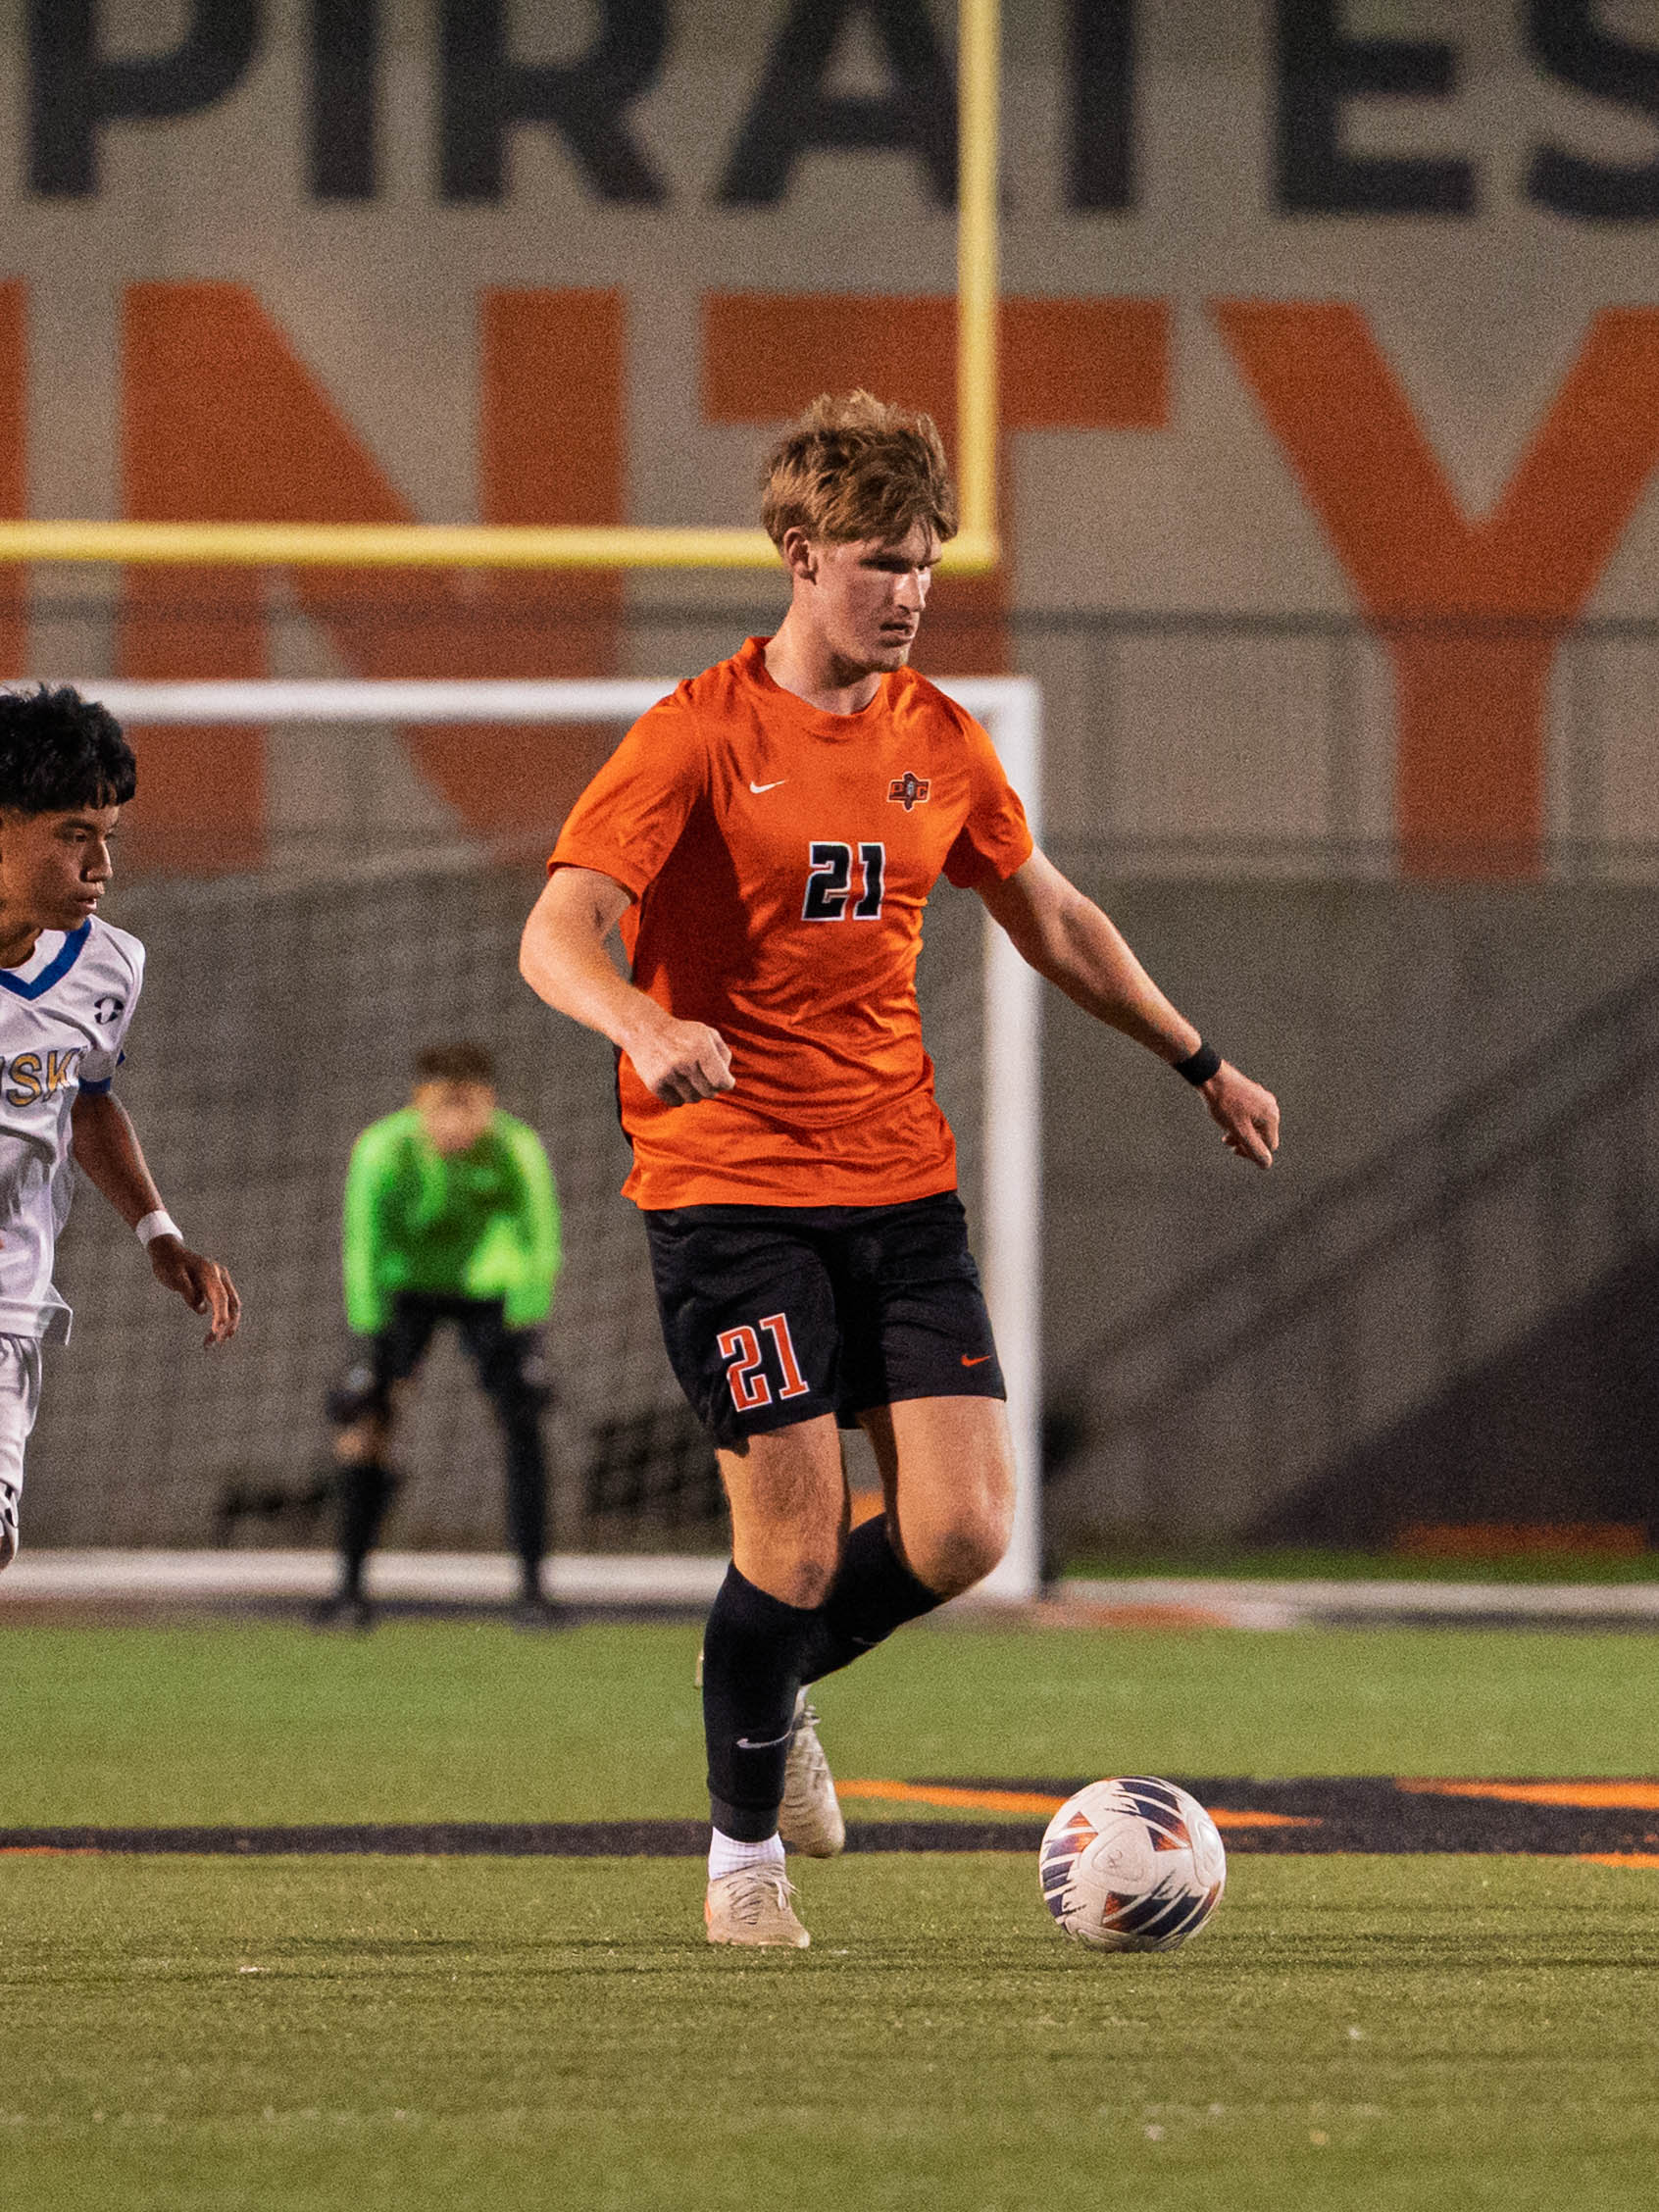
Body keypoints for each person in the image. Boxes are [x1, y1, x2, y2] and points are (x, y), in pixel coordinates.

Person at [519, 391, 1280, 1948]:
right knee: (794, 1544)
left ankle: (761, 1674)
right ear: (801, 557)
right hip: (731, 1192)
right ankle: (743, 1865)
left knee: (964, 1534)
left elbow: (1052, 917)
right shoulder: (695, 735)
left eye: (925, 560)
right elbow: (557, 931)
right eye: (880, 559)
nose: (910, 588)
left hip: (899, 1187)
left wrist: (1199, 1058)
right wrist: (644, 1022)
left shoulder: (940, 736)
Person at [0, 684, 240, 1571]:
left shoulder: (109, 965)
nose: (100, 865)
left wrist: (159, 1233)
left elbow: (88, 1098)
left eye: (108, 836)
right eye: (74, 835)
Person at [320, 1041, 562, 1629]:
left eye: (469, 1106)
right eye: (441, 1107)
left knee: (523, 1417)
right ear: (418, 1102)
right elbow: (363, 1246)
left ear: (490, 1103)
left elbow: (540, 1240)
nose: (455, 1122)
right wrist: (368, 1341)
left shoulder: (517, 1147)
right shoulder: (382, 1148)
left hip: (489, 1290)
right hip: (404, 1290)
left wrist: (527, 1326)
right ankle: (348, 1589)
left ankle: (533, 1591)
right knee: (366, 1419)